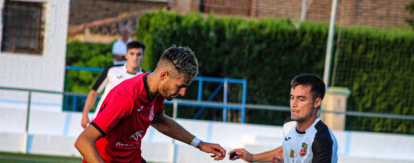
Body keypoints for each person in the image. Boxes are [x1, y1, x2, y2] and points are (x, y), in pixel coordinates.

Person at [75, 46, 226, 163]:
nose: (182, 92)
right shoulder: (127, 97)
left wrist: (199, 144)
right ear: (164, 76)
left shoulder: (158, 92)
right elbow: (83, 141)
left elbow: (160, 121)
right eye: (180, 86)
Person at [229, 74, 338, 163]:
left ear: (316, 102)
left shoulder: (322, 139)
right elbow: (287, 149)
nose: (293, 104)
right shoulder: (289, 125)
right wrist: (252, 158)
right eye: (292, 98)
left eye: (301, 99)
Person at [81, 41, 146, 128]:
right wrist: (85, 114)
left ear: (143, 56)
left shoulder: (145, 78)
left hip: (123, 127)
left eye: (139, 54)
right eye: (132, 54)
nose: (135, 57)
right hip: (100, 119)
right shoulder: (112, 70)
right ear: (126, 55)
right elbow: (94, 92)